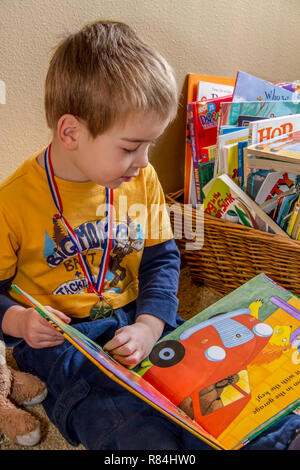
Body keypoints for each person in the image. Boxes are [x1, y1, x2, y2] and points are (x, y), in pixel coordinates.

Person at [0, 19, 300, 451]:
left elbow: (161, 255)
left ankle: (279, 438)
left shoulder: (140, 178)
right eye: (130, 147)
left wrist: (150, 321)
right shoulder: (12, 202)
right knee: (119, 420)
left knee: (214, 385)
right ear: (71, 133)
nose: (144, 162)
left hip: (139, 316)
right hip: (64, 340)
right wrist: (18, 322)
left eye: (149, 146)